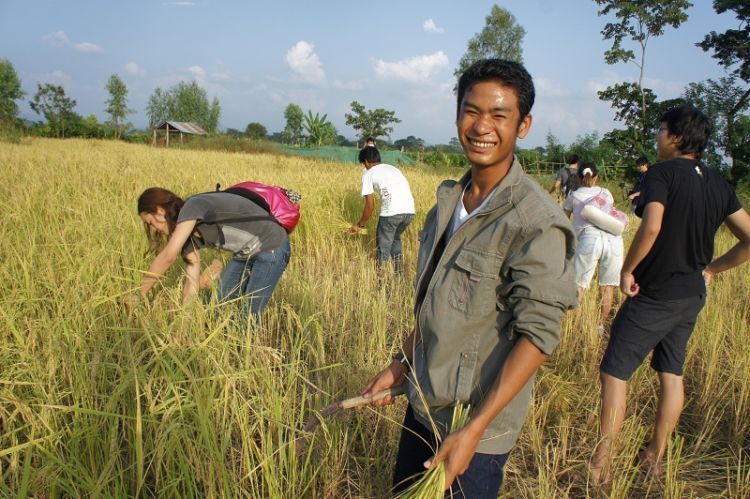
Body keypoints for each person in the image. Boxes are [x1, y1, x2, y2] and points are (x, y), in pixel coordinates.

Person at [361, 59, 577, 497]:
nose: (482, 126)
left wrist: (474, 431)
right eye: (471, 111)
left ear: (524, 125)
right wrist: (402, 364)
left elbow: (538, 337)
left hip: (471, 426)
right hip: (423, 403)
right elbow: (437, 304)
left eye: (499, 115)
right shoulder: (448, 201)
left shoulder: (536, 222)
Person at [590, 104, 750, 484]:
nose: (657, 136)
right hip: (691, 294)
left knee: (614, 373)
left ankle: (601, 464)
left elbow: (651, 227)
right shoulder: (717, 182)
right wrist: (711, 269)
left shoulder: (660, 174)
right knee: (671, 374)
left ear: (676, 137)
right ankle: (655, 458)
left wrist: (628, 269)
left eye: (661, 129)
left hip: (654, 293)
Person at [134, 186, 291, 322]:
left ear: (160, 211)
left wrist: (138, 294)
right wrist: (184, 326)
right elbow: (191, 285)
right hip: (245, 254)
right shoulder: (189, 240)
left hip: (272, 247)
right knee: (215, 305)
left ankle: (243, 352)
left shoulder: (193, 206)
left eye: (150, 222)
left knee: (249, 315)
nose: (154, 229)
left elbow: (169, 255)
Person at [563, 163, 624, 328]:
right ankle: (600, 326)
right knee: (607, 287)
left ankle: (575, 325)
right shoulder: (606, 193)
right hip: (614, 240)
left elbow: (563, 220)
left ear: (577, 177)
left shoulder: (573, 196)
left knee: (579, 285)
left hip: (589, 239)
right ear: (596, 176)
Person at [350, 146, 415, 273]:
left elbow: (370, 205)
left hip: (391, 213)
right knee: (395, 240)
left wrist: (360, 225)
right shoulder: (393, 168)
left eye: (364, 164)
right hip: (409, 211)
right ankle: (398, 275)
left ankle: (381, 283)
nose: (364, 166)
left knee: (383, 249)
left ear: (367, 162)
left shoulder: (368, 174)